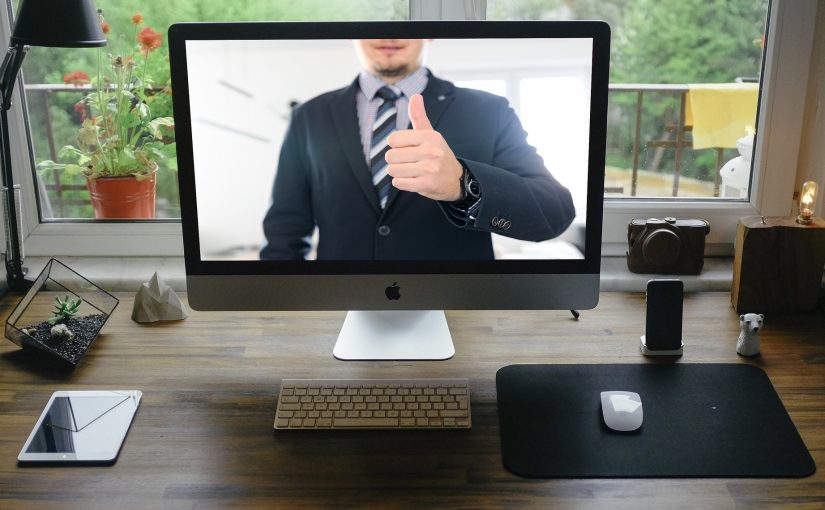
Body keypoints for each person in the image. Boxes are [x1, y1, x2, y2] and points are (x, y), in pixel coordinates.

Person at [260, 39, 575, 260]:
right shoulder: (309, 116)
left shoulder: (489, 110)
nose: (388, 34)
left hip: (460, 309)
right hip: (340, 305)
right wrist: (277, 306)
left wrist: (464, 185)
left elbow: (554, 214)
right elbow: (286, 225)